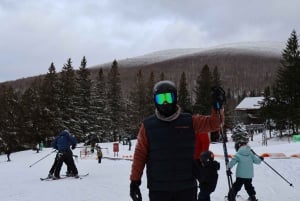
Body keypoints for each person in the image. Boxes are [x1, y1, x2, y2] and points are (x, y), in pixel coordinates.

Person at [129, 80, 225, 201]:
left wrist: (218, 107)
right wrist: (135, 181)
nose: (164, 103)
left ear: (175, 98)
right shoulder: (148, 125)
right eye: (160, 99)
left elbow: (214, 124)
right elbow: (140, 154)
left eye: (168, 98)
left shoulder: (189, 121)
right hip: (159, 189)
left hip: (186, 188)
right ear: (155, 100)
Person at [226, 127, 263, 201]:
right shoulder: (250, 154)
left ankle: (231, 198)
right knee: (249, 186)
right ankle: (252, 197)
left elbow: (232, 162)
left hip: (240, 175)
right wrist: (261, 159)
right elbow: (257, 161)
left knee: (236, 186)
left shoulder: (238, 155)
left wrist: (228, 168)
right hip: (249, 175)